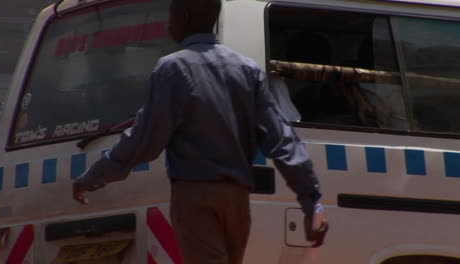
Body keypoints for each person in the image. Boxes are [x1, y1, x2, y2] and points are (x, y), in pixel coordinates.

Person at [72, 0, 329, 263]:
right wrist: (312, 204)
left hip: (195, 197)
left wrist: (92, 176)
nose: (168, 22)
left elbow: (144, 141)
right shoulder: (247, 69)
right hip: (238, 200)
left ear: (185, 15)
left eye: (171, 13)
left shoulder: (172, 69)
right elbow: (283, 141)